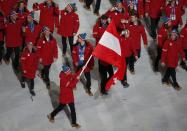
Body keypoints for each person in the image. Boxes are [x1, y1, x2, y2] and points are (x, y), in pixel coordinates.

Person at [93, 15, 114, 95]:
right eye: (103, 20)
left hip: (108, 52)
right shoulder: (97, 26)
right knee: (104, 76)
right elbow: (95, 35)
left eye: (105, 20)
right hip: (101, 49)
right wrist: (103, 37)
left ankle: (106, 84)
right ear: (101, 20)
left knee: (111, 75)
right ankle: (103, 89)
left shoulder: (109, 26)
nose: (104, 21)